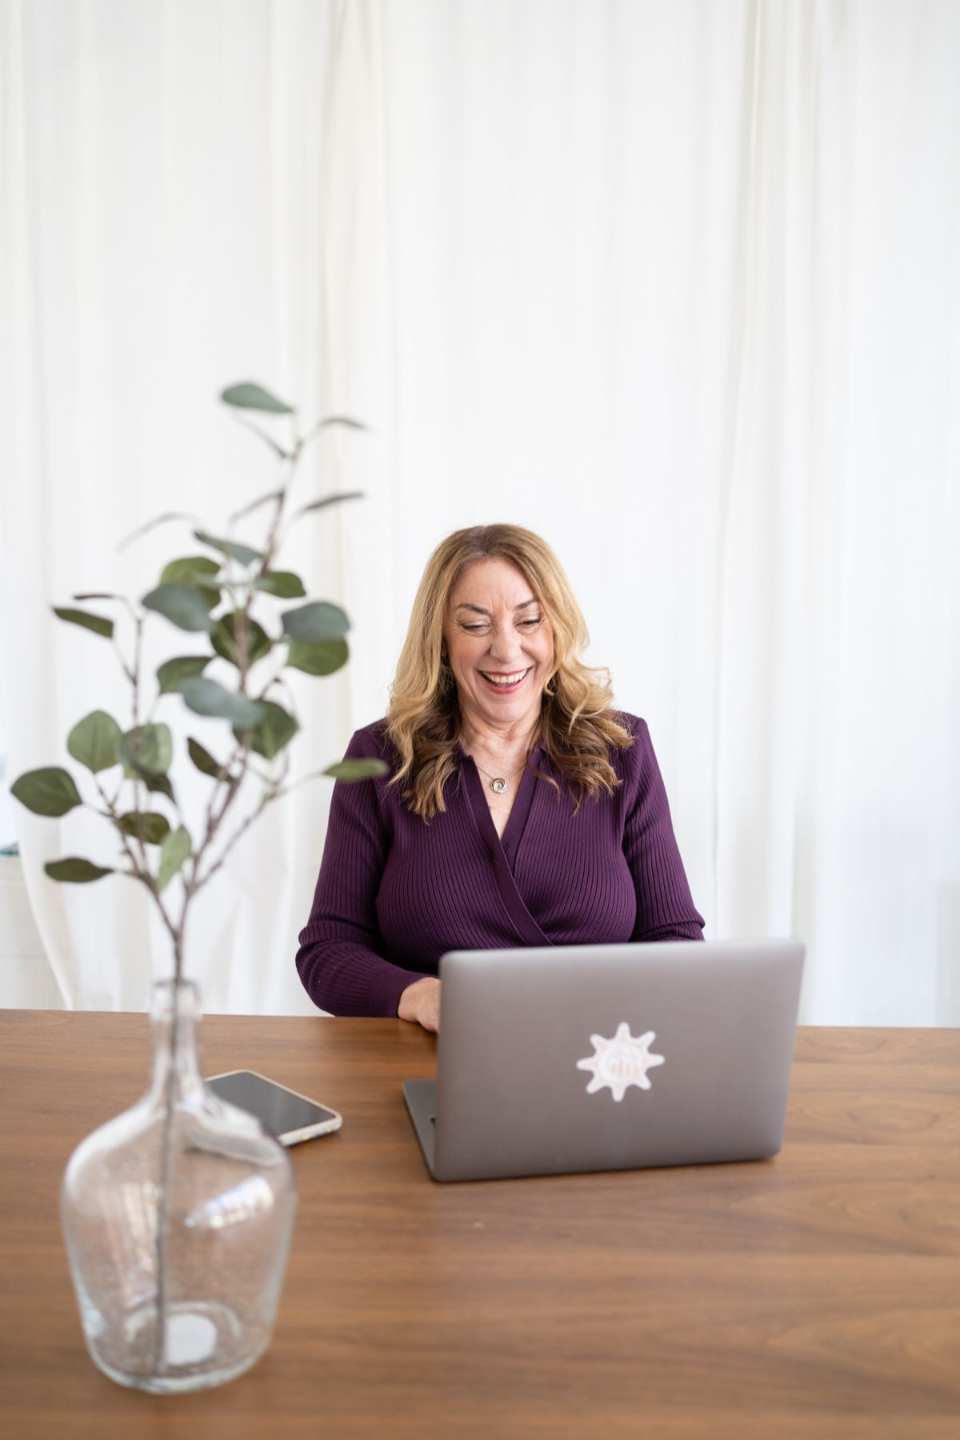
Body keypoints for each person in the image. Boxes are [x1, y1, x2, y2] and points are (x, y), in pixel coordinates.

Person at [296, 524, 704, 1032]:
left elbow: (676, 939)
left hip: (594, 1057)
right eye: (475, 625)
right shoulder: (379, 759)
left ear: (557, 629)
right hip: (433, 1060)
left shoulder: (624, 749)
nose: (507, 650)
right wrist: (418, 996)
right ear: (441, 641)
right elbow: (329, 949)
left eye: (529, 620)